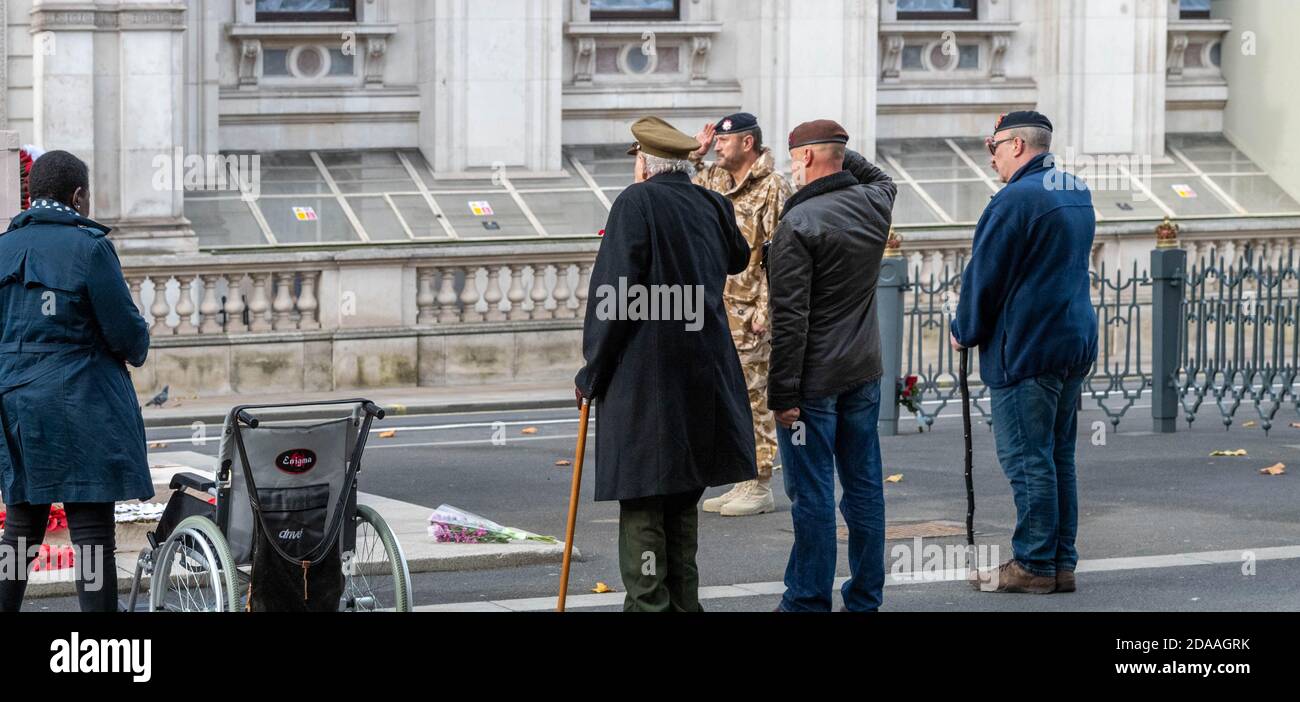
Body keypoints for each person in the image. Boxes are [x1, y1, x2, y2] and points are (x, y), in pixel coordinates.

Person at [575, 116, 754, 612]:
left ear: (645, 163)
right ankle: (684, 606)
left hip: (646, 383)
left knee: (645, 512)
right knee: (681, 507)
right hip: (705, 380)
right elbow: (738, 257)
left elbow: (613, 299)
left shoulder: (636, 202)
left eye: (635, 157)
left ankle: (651, 607)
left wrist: (592, 372)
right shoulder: (712, 203)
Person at [950, 111, 1097, 594]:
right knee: (1058, 456)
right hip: (1071, 340)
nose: (990, 159)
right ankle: (1060, 562)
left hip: (1027, 347)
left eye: (992, 148)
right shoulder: (1073, 189)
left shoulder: (1014, 200)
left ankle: (1034, 564)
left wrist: (964, 329)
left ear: (1015, 145)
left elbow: (985, 279)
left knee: (1027, 459)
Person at [0, 150, 153, 612]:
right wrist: (137, 343)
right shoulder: (89, 248)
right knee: (90, 534)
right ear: (79, 195)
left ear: (32, 192)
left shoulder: (3, 248)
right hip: (82, 404)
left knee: (19, 533)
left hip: (17, 409)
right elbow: (125, 333)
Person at [767, 120, 897, 612]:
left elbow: (790, 319)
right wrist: (839, 154)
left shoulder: (797, 225)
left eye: (793, 156)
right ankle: (865, 598)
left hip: (813, 384)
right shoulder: (877, 201)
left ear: (802, 159)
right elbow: (876, 174)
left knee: (813, 494)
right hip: (863, 370)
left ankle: (806, 601)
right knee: (864, 489)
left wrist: (782, 395)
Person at [688, 113, 792, 517]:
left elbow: (782, 253)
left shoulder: (772, 186)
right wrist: (694, 158)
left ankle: (760, 482)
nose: (716, 146)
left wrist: (767, 308)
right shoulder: (714, 177)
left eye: (724, 141)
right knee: (728, 395)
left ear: (747, 143)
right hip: (719, 306)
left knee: (754, 396)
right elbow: (686, 194)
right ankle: (741, 476)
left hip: (752, 313)